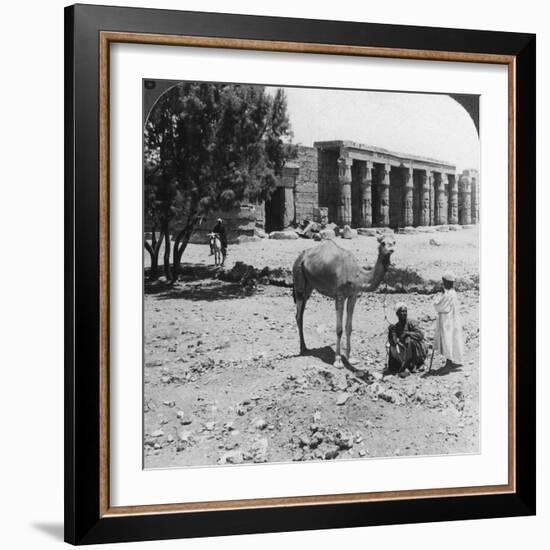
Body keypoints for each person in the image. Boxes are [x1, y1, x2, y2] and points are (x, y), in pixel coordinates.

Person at [387, 302, 428, 377]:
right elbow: (394, 342)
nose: (404, 313)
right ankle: (396, 367)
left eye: (405, 311)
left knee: (410, 341)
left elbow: (420, 335)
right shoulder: (397, 326)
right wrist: (391, 333)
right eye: (402, 311)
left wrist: (407, 333)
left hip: (417, 350)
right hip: (404, 351)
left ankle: (414, 365)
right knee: (391, 347)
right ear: (397, 314)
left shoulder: (411, 323)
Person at [433, 271, 464, 368]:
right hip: (452, 320)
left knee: (447, 340)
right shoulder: (452, 293)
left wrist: (438, 296)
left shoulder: (448, 294)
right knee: (453, 339)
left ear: (447, 282)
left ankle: (449, 362)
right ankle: (452, 361)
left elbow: (439, 306)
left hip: (447, 321)